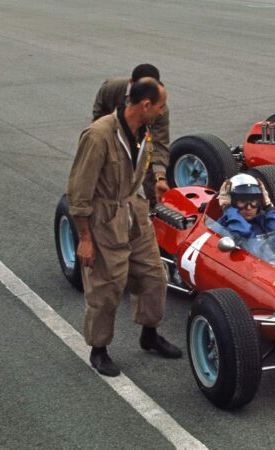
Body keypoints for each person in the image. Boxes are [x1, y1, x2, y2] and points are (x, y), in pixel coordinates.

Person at [68, 78, 181, 377]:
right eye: (159, 106)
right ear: (145, 105)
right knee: (106, 288)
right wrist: (85, 239)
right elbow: (79, 195)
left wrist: (155, 186)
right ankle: (99, 350)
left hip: (135, 212)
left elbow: (141, 168)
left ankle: (149, 334)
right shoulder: (99, 136)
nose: (161, 112)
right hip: (105, 220)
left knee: (155, 276)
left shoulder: (143, 131)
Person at [92, 63, 171, 204]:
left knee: (150, 175)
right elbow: (98, 115)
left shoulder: (159, 108)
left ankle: (153, 209)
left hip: (141, 140)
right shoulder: (111, 89)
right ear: (132, 83)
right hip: (113, 134)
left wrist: (160, 177)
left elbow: (160, 143)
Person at [217, 174, 275, 239]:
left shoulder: (262, 220)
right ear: (232, 203)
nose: (249, 208)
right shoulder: (222, 226)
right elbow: (241, 234)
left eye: (253, 202)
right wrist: (227, 208)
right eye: (242, 202)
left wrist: (268, 207)